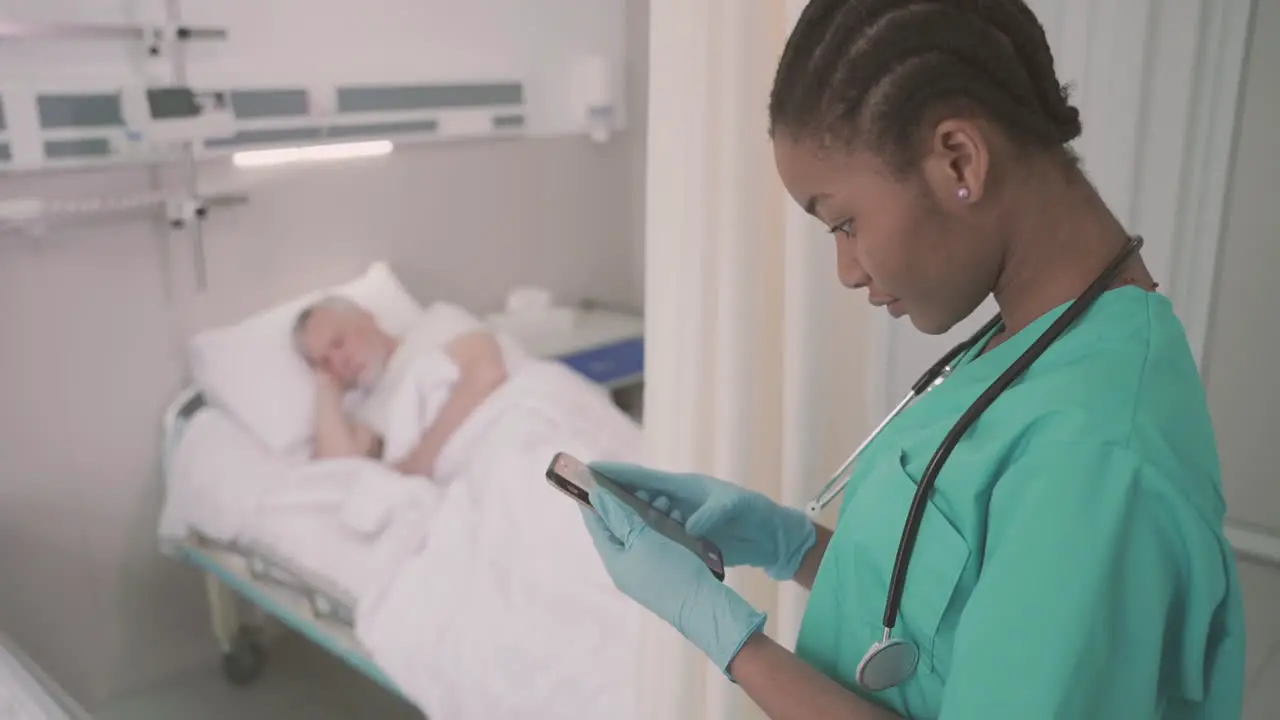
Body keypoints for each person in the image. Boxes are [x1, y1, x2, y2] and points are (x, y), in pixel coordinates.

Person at [577, 1, 1247, 718]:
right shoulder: (1033, 341)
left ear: (958, 159)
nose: (845, 269)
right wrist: (787, 543)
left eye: (844, 222)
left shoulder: (1099, 459)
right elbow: (957, 623)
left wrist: (730, 640)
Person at [292, 296, 508, 476]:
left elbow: (487, 374)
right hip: (475, 474)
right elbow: (338, 475)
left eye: (339, 342)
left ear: (367, 317)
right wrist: (326, 389)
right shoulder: (368, 415)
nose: (340, 361)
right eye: (326, 362)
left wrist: (418, 463)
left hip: (508, 429)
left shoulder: (436, 324)